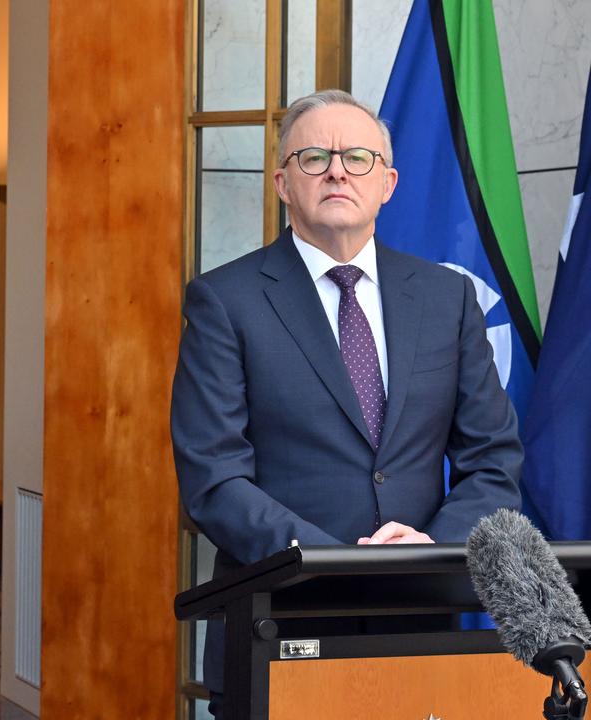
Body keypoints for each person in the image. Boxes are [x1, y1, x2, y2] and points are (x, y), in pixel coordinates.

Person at [170, 89, 523, 716]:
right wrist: (326, 560)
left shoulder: (447, 298)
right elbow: (215, 478)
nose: (337, 170)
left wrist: (431, 549)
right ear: (282, 181)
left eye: (358, 157)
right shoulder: (225, 301)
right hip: (279, 620)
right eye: (314, 157)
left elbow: (492, 460)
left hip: (423, 622)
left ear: (387, 182)